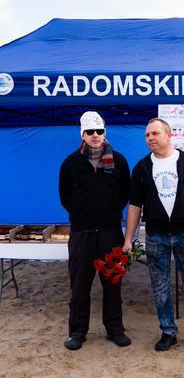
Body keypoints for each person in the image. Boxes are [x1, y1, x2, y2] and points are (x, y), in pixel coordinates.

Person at [123, 118, 184, 352]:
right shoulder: (141, 167)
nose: (150, 138)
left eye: (155, 133)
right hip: (155, 235)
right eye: (147, 135)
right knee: (160, 286)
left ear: (169, 135)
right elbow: (135, 205)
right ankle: (168, 331)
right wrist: (128, 238)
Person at [59, 111, 131, 350]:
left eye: (99, 131)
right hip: (82, 234)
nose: (95, 135)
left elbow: (124, 194)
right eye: (90, 132)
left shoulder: (118, 161)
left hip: (111, 233)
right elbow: (65, 197)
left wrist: (109, 212)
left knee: (113, 284)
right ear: (82, 135)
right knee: (80, 286)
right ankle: (78, 331)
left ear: (105, 133)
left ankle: (115, 329)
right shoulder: (70, 163)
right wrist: (83, 215)